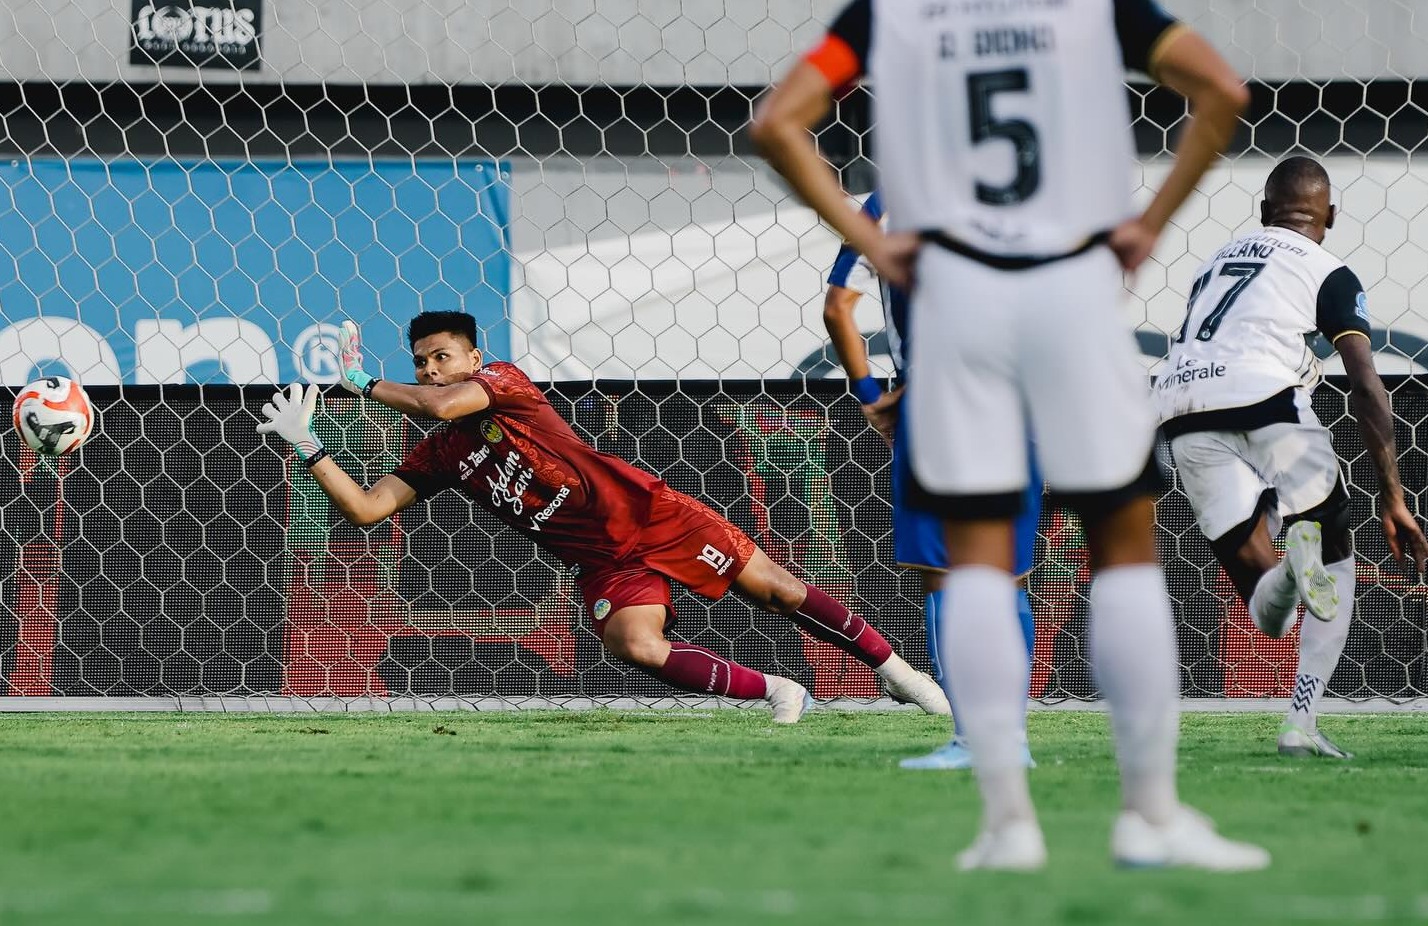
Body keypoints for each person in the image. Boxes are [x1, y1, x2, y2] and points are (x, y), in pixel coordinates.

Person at [752, 0, 1266, 870]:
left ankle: (1006, 824)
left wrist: (874, 244)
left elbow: (776, 123)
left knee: (974, 560)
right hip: (1067, 287)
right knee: (1123, 545)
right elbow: (1221, 90)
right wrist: (1149, 224)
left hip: (956, 304)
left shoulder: (892, 15)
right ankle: (1150, 813)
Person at [255, 311, 950, 723]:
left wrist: (363, 383)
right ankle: (778, 691)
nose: (432, 369)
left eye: (442, 357)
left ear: (472, 356)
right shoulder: (440, 455)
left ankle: (898, 673)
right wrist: (310, 446)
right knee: (634, 647)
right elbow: (367, 510)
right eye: (421, 362)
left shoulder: (503, 383)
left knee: (779, 591)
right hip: (602, 561)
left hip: (651, 516)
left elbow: (438, 403)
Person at [1157, 157, 1428, 759]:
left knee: (1267, 612)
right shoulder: (1328, 270)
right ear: (1329, 215)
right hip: (1267, 398)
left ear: (1263, 212)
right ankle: (1299, 725)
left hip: (1179, 409)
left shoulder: (1214, 262)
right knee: (1337, 557)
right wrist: (1394, 498)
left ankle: (1287, 568)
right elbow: (1366, 386)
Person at [822, 190, 1039, 770]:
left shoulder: (892, 201)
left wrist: (873, 399)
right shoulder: (1024, 194)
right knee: (1008, 575)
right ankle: (1013, 740)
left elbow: (838, 308)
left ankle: (973, 740)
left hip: (936, 401)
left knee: (946, 578)